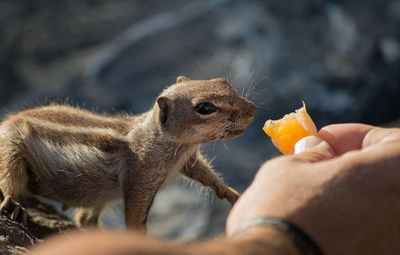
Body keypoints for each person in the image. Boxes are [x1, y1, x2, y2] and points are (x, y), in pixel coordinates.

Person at [34, 123, 400, 255]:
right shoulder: (143, 159)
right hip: (54, 172)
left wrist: (222, 189)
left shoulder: (177, 147)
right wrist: (286, 239)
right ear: (166, 115)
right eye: (207, 110)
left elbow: (189, 163)